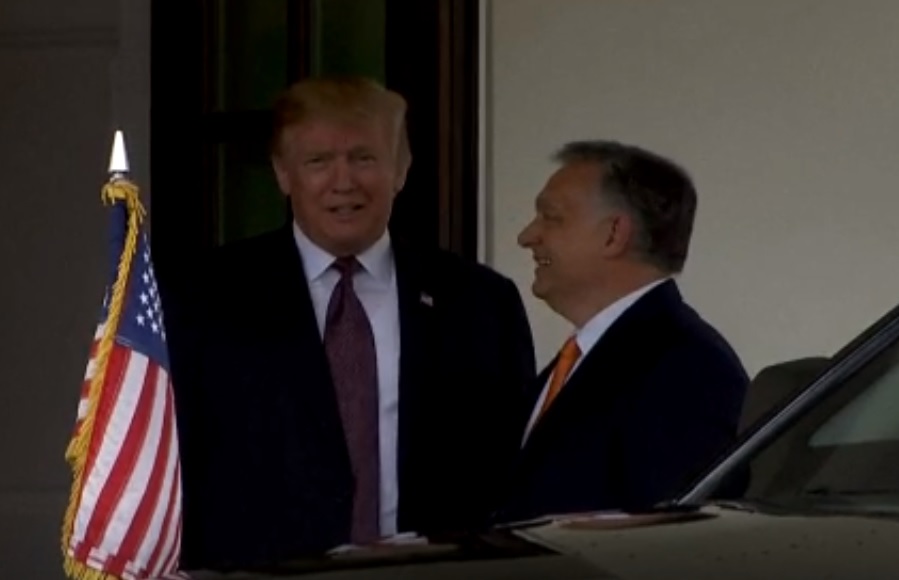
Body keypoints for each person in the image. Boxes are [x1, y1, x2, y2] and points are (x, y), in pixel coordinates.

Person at [172, 76, 536, 571]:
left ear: (401, 169)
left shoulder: (479, 303)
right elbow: (174, 465)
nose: (343, 182)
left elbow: (512, 474)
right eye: (318, 161)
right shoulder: (203, 299)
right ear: (282, 172)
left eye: (364, 158)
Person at [493, 140, 749, 523]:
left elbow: (670, 539)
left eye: (551, 217)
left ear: (613, 234)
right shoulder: (590, 357)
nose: (527, 236)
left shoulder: (686, 369)